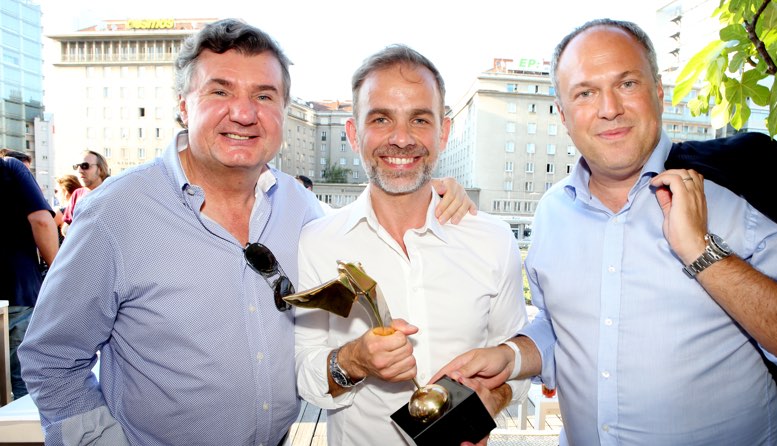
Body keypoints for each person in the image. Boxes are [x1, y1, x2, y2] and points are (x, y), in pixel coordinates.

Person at [19, 19, 473, 446]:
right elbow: (51, 358)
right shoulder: (115, 214)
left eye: (264, 96)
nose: (243, 113)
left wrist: (428, 192)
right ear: (183, 106)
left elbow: (369, 228)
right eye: (220, 91)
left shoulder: (300, 207)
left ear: (283, 111)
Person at [436, 19, 777, 446]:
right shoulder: (552, 212)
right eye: (585, 93)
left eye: (627, 83)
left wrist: (703, 253)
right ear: (563, 114)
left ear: (658, 93)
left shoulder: (731, 193)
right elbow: (564, 328)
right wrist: (512, 356)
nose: (609, 108)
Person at [294, 45, 529, 446]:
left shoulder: (492, 239)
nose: (401, 139)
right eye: (381, 119)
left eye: (419, 119)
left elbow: (516, 360)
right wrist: (354, 361)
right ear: (353, 134)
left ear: (443, 133)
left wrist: (491, 401)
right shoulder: (318, 242)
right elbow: (304, 375)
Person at [0, 157, 58, 400]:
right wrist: (58, 272)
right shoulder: (9, 168)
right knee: (25, 390)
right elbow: (42, 221)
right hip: (18, 291)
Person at [62, 150, 110, 235]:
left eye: (85, 166)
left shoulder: (112, 192)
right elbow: (65, 227)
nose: (79, 170)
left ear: (100, 169)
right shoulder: (77, 194)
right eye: (76, 166)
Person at [52, 174, 83, 240]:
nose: (55, 195)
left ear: (65, 191)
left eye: (56, 191)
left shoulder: (60, 213)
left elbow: (45, 232)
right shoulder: (83, 208)